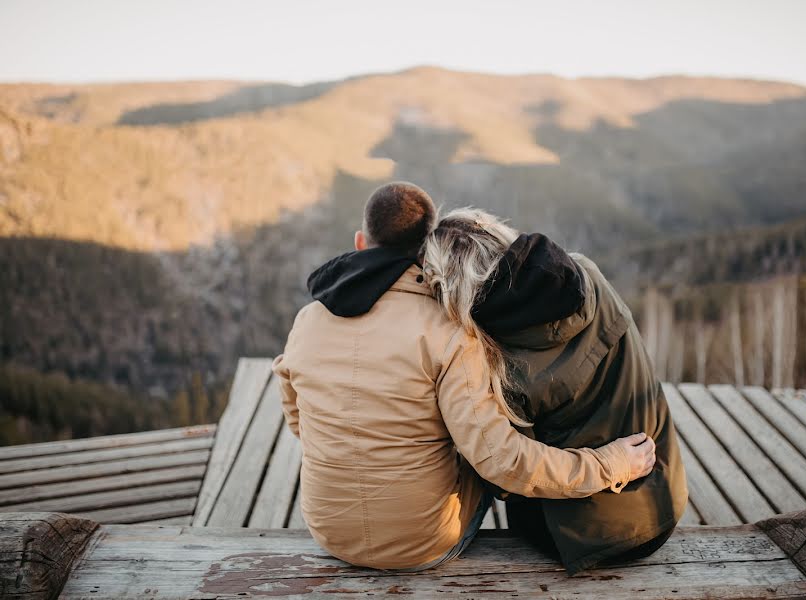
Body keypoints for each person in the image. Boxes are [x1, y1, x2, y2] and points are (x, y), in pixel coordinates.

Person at [273, 182, 657, 571]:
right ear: (430, 248)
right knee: (480, 446)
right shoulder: (450, 331)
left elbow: (298, 419)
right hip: (423, 543)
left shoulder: (307, 321)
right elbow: (502, 462)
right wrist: (610, 465)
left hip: (329, 532)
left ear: (360, 242)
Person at [422, 208, 688, 574]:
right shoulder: (584, 273)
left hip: (585, 534)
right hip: (663, 498)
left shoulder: (501, 364)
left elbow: (511, 480)